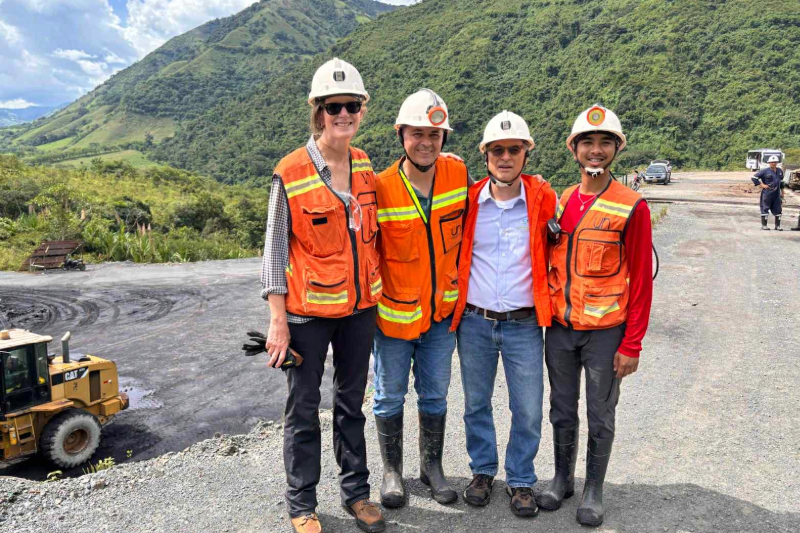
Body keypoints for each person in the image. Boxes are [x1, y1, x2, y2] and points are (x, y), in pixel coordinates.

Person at [260, 57, 384, 533]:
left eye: (352, 105)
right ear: (318, 111)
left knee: (352, 405)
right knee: (304, 409)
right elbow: (273, 249)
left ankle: (356, 494)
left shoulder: (365, 164)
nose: (343, 114)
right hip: (307, 316)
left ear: (362, 110)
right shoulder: (289, 171)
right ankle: (302, 504)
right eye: (334, 107)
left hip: (359, 312)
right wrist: (278, 320)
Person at [538, 105, 653, 527]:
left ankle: (593, 490)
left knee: (601, 414)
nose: (596, 150)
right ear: (574, 148)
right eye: (587, 142)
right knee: (562, 408)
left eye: (605, 142)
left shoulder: (631, 207)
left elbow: (641, 281)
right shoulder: (563, 200)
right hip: (562, 330)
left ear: (617, 149)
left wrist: (632, 344)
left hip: (606, 333)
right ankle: (562, 479)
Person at [449, 111, 556, 518]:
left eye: (514, 149)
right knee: (476, 402)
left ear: (526, 154)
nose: (506, 157)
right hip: (475, 320)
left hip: (524, 322)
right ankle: (482, 471)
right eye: (498, 150)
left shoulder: (544, 200)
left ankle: (521, 478)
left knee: (527, 406)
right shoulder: (470, 200)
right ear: (486, 155)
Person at [372, 89, 469, 508]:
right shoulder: (380, 187)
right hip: (393, 320)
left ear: (444, 137)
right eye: (417, 134)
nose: (426, 142)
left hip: (440, 319)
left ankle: (432, 467)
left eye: (434, 133)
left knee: (435, 396)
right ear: (400, 134)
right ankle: (392, 471)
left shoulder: (458, 175)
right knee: (389, 396)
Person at [751, 155, 785, 230]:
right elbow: (754, 178)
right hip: (767, 193)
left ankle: (777, 226)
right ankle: (764, 225)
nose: (773, 163)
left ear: (777, 163)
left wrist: (782, 192)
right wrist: (762, 185)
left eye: (775, 162)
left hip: (776, 194)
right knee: (765, 208)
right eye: (772, 162)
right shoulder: (765, 171)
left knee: (778, 209)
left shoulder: (780, 171)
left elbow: (781, 182)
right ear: (769, 163)